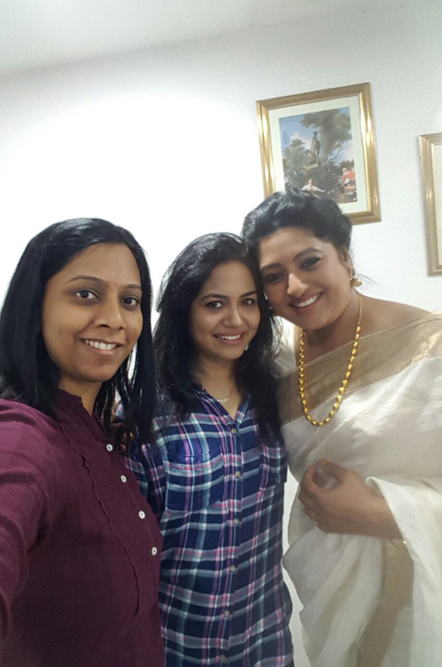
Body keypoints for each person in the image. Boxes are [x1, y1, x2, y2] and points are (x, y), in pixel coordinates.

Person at [0, 218, 164, 667]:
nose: (114, 319)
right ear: (34, 307)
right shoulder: (12, 435)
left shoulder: (98, 428)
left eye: (130, 300)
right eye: (86, 294)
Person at [242, 189, 442, 667]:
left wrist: (381, 515)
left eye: (309, 261)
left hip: (424, 597)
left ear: (345, 257)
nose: (295, 286)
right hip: (334, 591)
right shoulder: (275, 363)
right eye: (274, 276)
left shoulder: (431, 348)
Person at [129, 233, 293, 667]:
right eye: (215, 304)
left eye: (249, 302)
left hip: (266, 645)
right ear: (184, 310)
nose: (235, 319)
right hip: (174, 648)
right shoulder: (145, 415)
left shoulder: (278, 395)